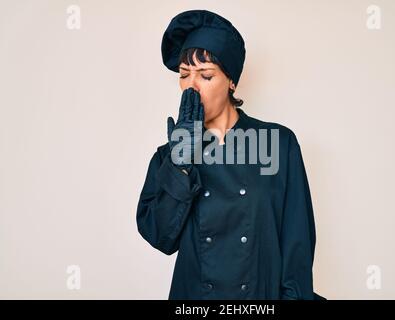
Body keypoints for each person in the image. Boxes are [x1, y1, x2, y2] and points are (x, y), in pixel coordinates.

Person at [136, 9, 325, 300]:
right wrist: (180, 167)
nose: (191, 87)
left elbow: (297, 247)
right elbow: (160, 237)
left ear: (231, 81)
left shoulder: (278, 144)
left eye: (206, 75)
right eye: (184, 75)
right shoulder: (169, 155)